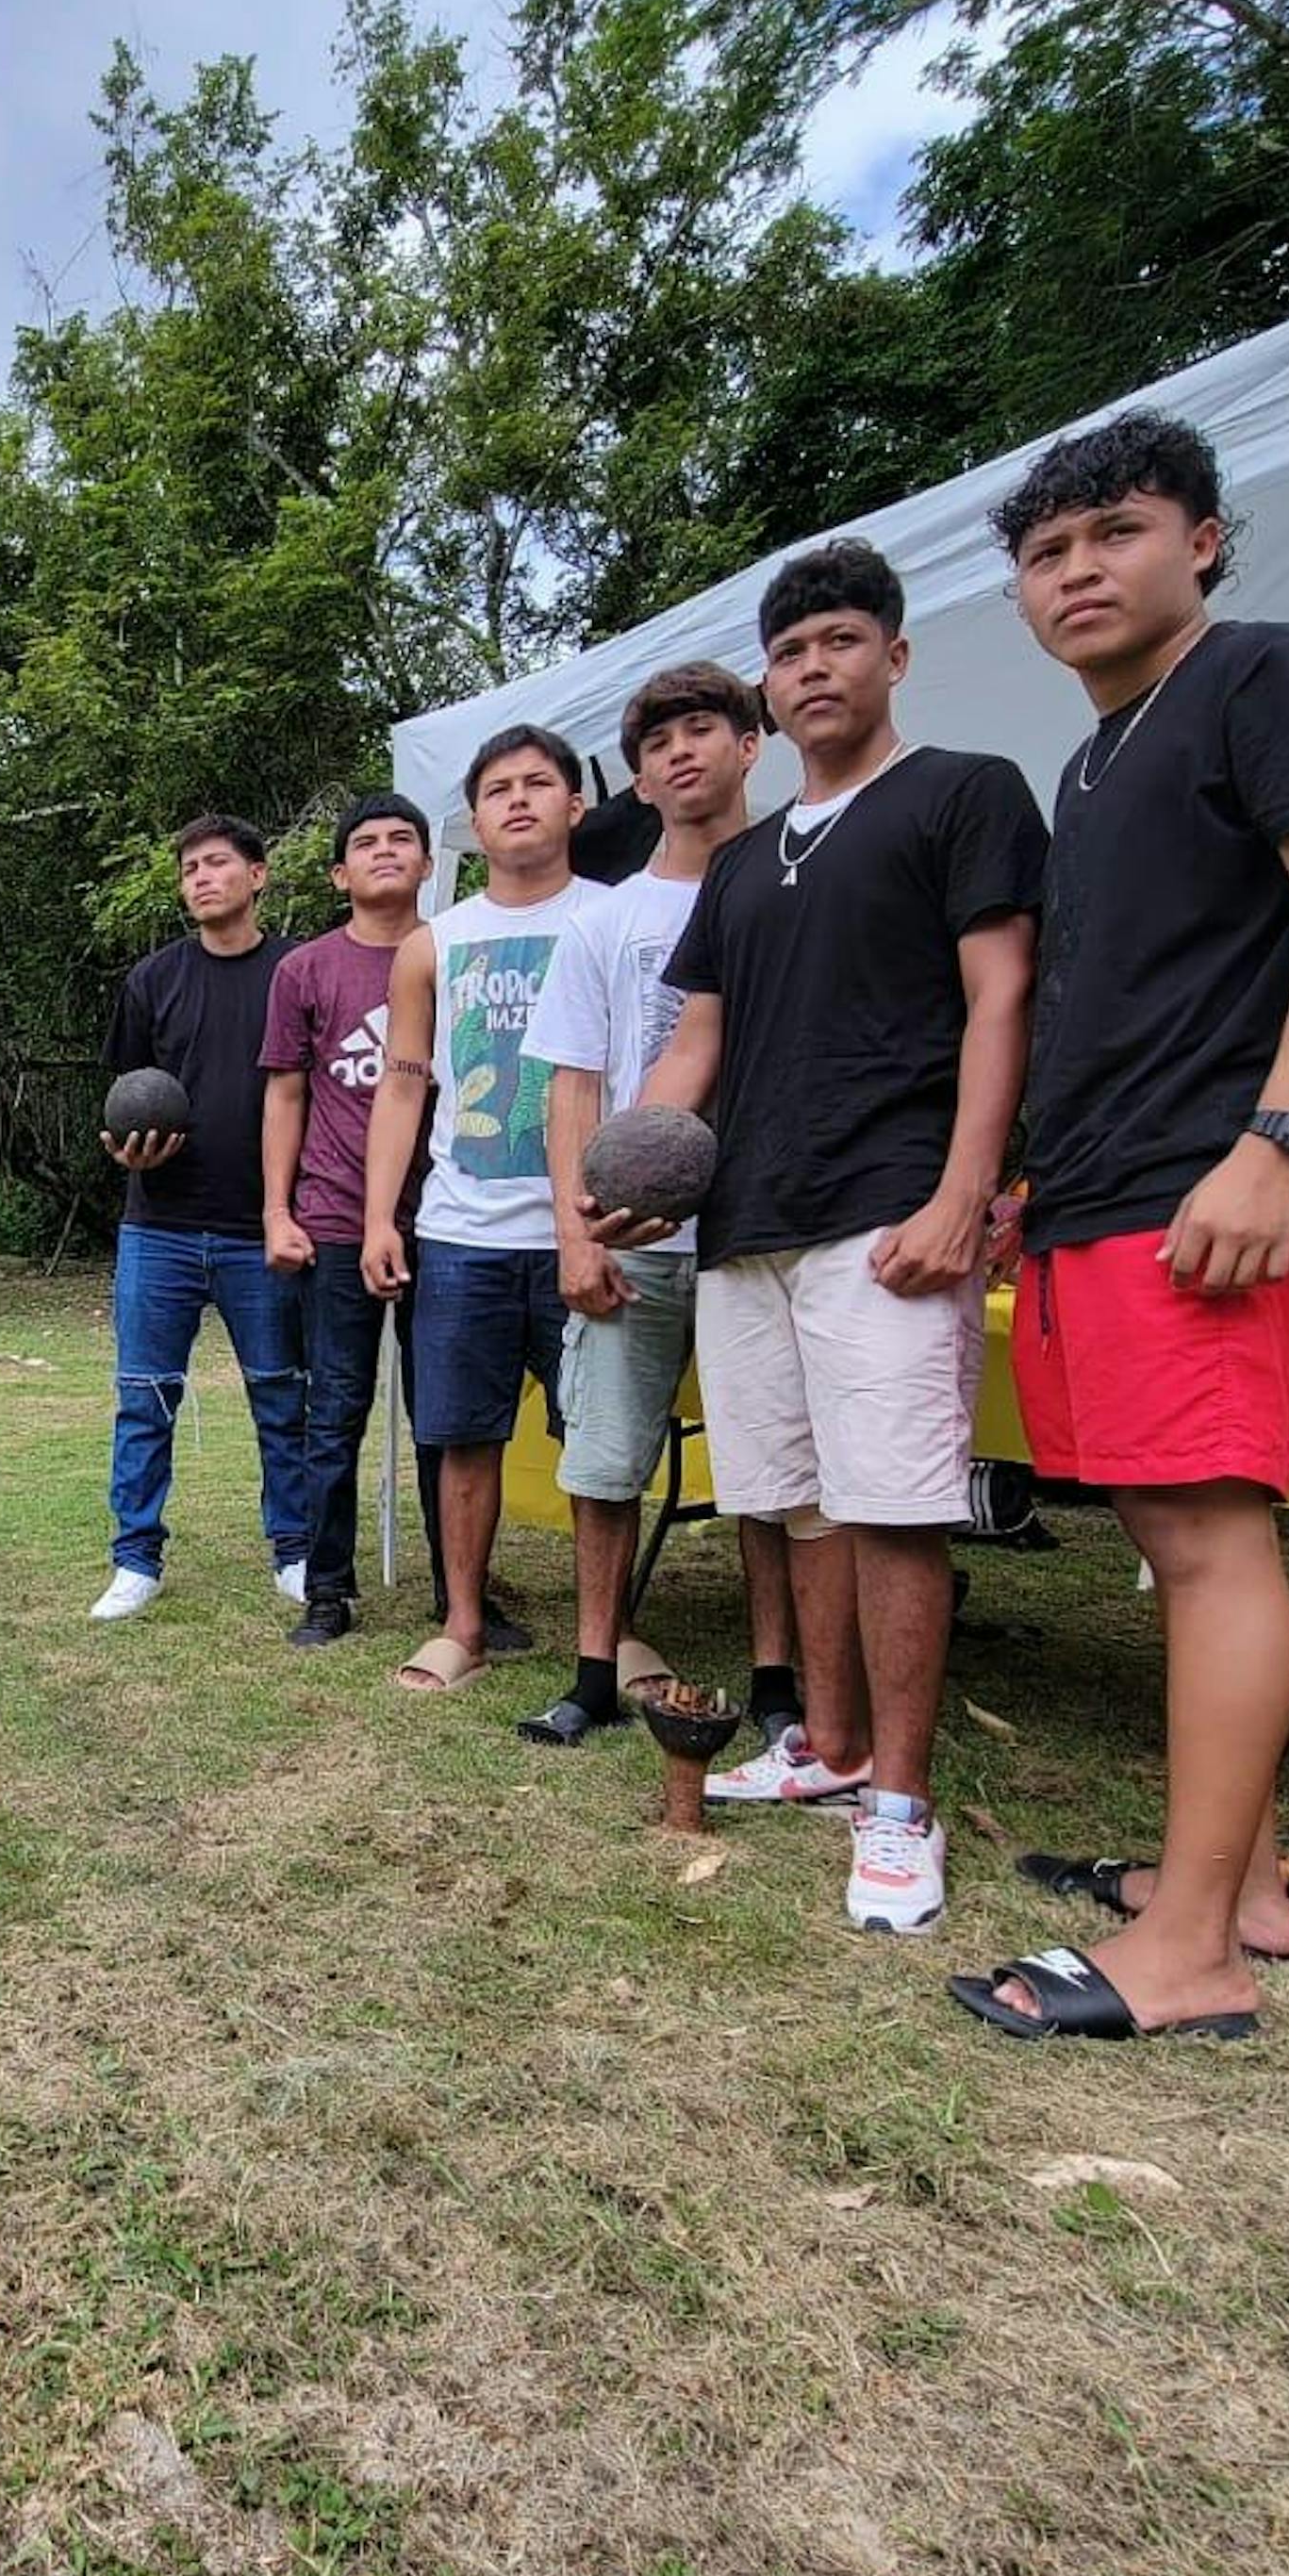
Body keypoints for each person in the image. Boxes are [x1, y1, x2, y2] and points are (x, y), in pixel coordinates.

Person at [953, 410, 1289, 2046]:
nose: (1080, 571)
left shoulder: (1269, 676)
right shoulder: (1099, 757)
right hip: (1106, 1195)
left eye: (1119, 534)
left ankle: (1195, 1964)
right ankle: (1233, 1889)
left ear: (1206, 540)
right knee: (1171, 1543)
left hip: (1211, 1192)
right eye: (1046, 553)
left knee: (1216, 1546)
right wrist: (1037, 1182)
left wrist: (1281, 1140)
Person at [599, 540, 1044, 1938]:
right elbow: (702, 1046)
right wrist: (629, 1166)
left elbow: (1003, 998)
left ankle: (900, 1807)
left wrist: (967, 1191)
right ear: (771, 690)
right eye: (791, 653)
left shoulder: (963, 795)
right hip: (749, 1226)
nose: (815, 670)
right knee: (785, 1500)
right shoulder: (740, 869)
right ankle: (826, 1746)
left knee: (894, 1501)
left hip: (891, 1208)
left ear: (894, 658)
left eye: (842, 642)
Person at [513, 661, 801, 1771]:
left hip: (760, 1230)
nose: (680, 752)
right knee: (604, 1460)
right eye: (657, 741)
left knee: (768, 1471)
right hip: (633, 1243)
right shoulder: (608, 917)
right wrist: (576, 1234)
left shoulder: (791, 884)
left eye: (702, 729)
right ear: (636, 777)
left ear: (748, 745)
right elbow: (571, 1083)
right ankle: (592, 1672)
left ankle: (777, 1683)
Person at [361, 727, 608, 1692]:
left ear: (574, 806)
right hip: (460, 1232)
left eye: (537, 784)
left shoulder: (613, 919)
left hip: (584, 1229)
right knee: (461, 1436)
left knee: (598, 1441)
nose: (516, 801)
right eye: (496, 788)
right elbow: (402, 1082)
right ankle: (460, 1621)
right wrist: (382, 1216)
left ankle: (606, 1633)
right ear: (472, 818)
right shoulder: (434, 942)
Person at [91, 815, 315, 1623]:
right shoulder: (153, 980)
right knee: (143, 1397)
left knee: (282, 1400)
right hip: (161, 1226)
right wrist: (126, 1152)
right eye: (188, 870)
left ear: (257, 875)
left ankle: (295, 1551)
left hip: (268, 1227)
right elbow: (123, 1101)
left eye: (217, 864)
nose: (200, 879)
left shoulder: (299, 968)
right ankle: (135, 1559)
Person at [263, 793, 463, 1648]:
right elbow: (285, 1091)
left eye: (402, 840)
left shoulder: (460, 951)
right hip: (336, 1219)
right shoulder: (306, 969)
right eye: (366, 843)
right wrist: (277, 1209)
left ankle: (461, 1593)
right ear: (341, 872)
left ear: (427, 864)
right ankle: (328, 1590)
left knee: (446, 1414)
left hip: (451, 1217)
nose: (385, 852)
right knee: (334, 1410)